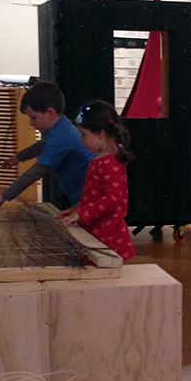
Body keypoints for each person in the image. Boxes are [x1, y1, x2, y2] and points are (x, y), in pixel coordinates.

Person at [0, 81, 93, 213]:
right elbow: (42, 145)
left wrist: (2, 197)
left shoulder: (61, 137)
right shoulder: (62, 127)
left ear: (50, 113)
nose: (31, 123)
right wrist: (18, 157)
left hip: (89, 197)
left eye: (33, 118)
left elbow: (34, 173)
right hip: (83, 194)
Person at [56, 100, 136, 261]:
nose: (81, 140)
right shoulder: (102, 160)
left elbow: (113, 199)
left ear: (101, 133)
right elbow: (96, 197)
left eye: (84, 135)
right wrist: (76, 209)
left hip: (107, 234)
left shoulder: (110, 163)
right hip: (96, 228)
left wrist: (81, 213)